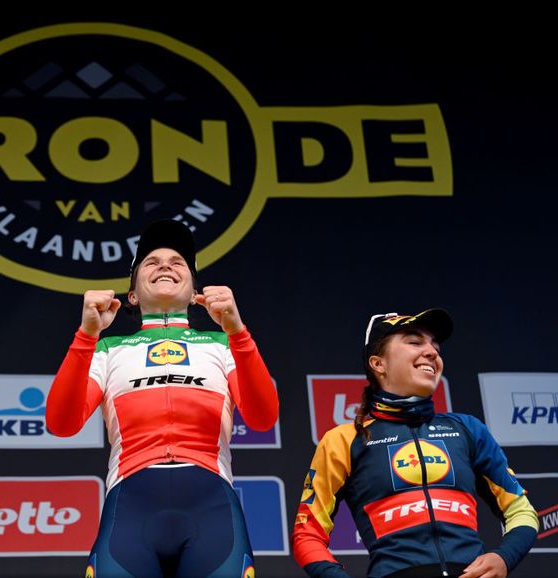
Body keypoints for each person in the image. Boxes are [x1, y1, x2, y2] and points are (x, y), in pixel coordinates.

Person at [46, 219, 279, 578]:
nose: (166, 265)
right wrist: (86, 334)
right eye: (151, 262)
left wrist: (237, 330)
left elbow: (263, 418)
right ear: (133, 294)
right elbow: (61, 424)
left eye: (177, 261)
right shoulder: (108, 348)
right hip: (130, 505)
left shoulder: (224, 344)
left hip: (211, 504)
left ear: (195, 292)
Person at [291, 309, 539, 578]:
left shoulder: (467, 429)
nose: (432, 352)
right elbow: (307, 534)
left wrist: (504, 557)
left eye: (435, 345)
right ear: (378, 363)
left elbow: (521, 510)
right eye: (415, 342)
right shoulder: (344, 440)